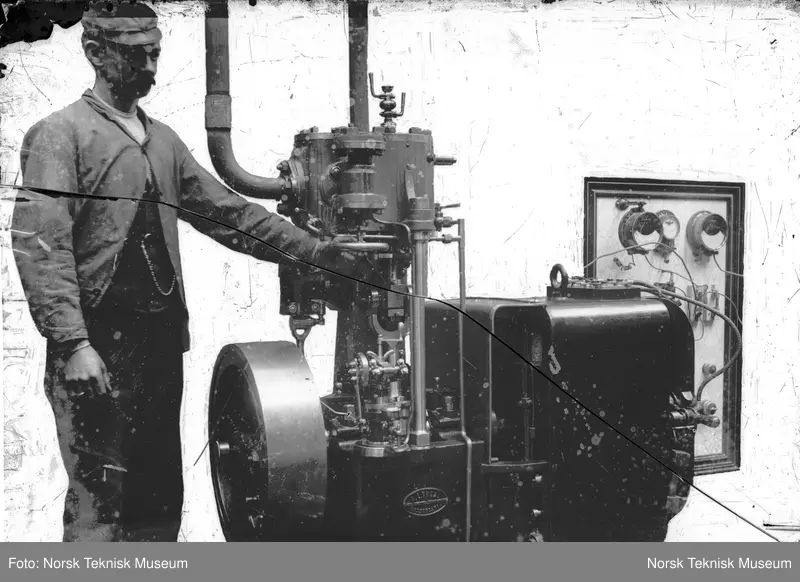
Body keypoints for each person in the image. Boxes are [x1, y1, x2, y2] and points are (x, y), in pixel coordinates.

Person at [10, 3, 364, 542]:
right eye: (134, 55)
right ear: (95, 53)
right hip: (96, 346)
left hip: (157, 346)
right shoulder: (60, 134)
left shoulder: (165, 142)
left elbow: (232, 216)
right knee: (102, 502)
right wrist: (73, 343)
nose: (150, 67)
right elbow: (41, 246)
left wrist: (316, 252)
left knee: (158, 499)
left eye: (155, 54)